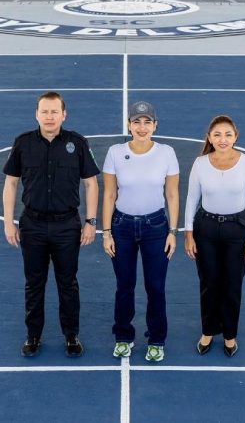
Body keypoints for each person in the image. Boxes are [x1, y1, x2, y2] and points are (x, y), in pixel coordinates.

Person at [2, 91, 100, 358]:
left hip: (67, 226)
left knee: (68, 283)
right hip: (32, 226)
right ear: (37, 114)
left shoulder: (77, 143)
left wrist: (91, 222)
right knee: (34, 283)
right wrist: (8, 222)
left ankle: (71, 336)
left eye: (54, 112)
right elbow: (11, 183)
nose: (49, 117)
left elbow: (91, 184)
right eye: (44, 111)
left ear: (63, 115)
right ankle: (33, 335)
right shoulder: (23, 143)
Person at [102, 101, 179, 362]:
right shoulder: (115, 152)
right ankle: (123, 337)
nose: (142, 127)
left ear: (155, 125)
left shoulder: (167, 153)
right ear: (129, 125)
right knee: (124, 286)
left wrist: (172, 231)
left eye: (147, 122)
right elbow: (109, 194)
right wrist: (107, 232)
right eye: (137, 122)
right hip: (121, 227)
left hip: (156, 228)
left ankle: (156, 339)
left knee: (155, 287)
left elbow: (172, 194)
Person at [184, 115, 245, 357]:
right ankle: (208, 331)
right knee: (209, 283)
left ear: (235, 137)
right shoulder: (200, 163)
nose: (222, 139)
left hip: (237, 231)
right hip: (205, 230)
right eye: (217, 134)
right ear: (209, 137)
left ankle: (229, 335)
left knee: (232, 284)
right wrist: (188, 234)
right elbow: (191, 199)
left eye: (228, 134)